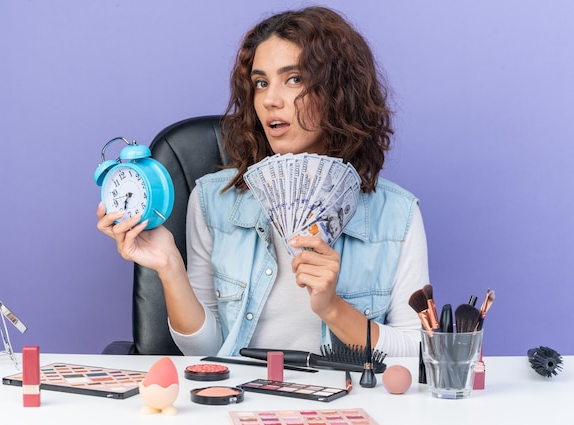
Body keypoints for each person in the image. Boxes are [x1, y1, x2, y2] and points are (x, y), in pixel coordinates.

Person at [97, 6, 429, 357]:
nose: (270, 100)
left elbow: (417, 350)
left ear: (338, 92)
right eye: (260, 83)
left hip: (340, 404)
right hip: (242, 398)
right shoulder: (213, 200)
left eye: (295, 79)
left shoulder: (398, 215)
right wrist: (169, 264)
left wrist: (332, 307)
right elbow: (205, 351)